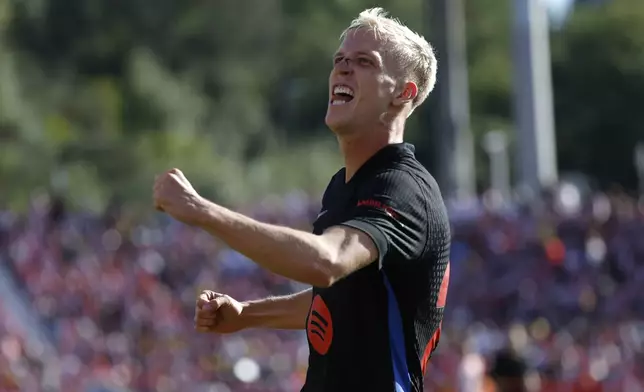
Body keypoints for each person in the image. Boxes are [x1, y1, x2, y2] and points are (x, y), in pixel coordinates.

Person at [153, 7, 451, 392]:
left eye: (364, 62)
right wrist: (247, 314)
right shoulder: (347, 185)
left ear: (403, 93)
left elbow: (326, 262)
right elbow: (338, 294)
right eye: (339, 60)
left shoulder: (403, 186)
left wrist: (201, 210)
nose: (343, 70)